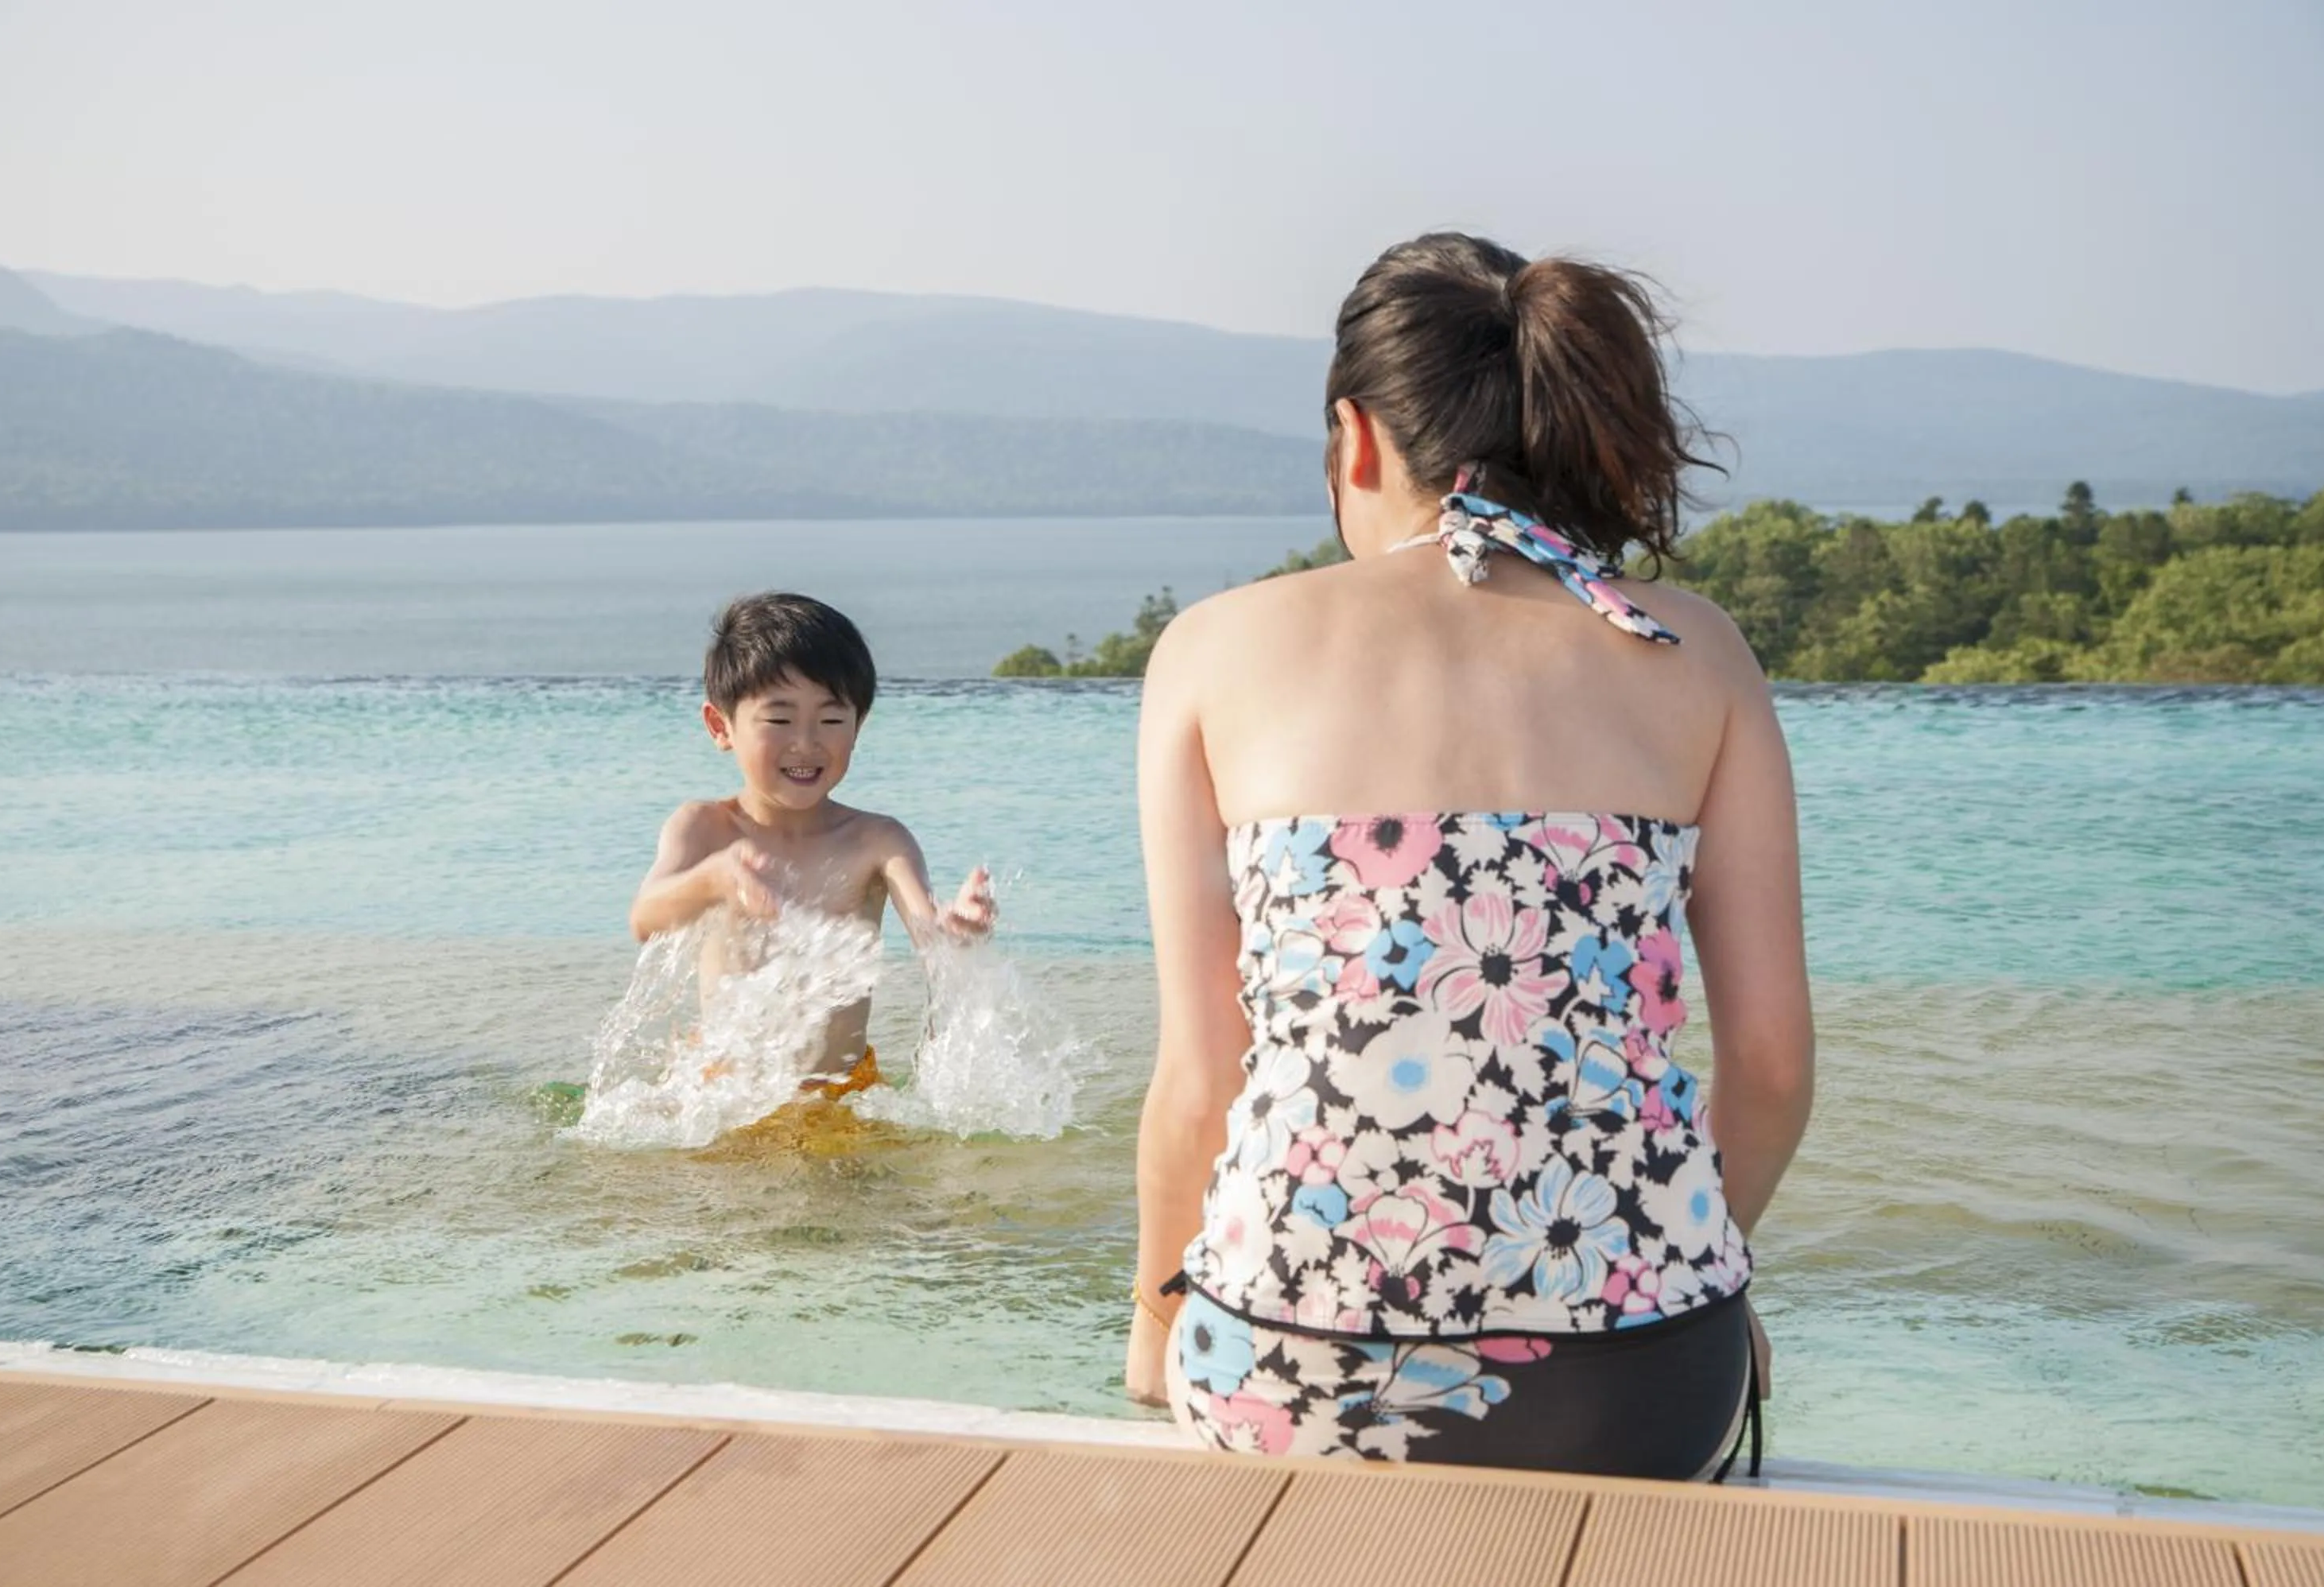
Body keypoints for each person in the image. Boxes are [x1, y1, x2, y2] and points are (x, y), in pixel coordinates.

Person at [1125, 234, 1814, 1479]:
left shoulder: (1213, 651)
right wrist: (1687, 1266)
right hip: (1645, 1379)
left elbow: (1199, 1077)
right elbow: (1769, 1069)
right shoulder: (1695, 654)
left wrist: (1151, 1325)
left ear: (1355, 441)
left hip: (1295, 1364)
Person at [629, 592, 995, 1123]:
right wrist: (713, 878)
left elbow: (927, 933)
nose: (805, 744)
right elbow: (645, 919)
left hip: (844, 1094)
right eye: (778, 721)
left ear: (858, 727)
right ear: (721, 727)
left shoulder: (877, 840)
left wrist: (955, 931)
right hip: (725, 1091)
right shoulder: (704, 828)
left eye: (830, 720)